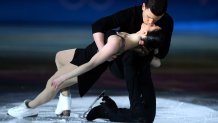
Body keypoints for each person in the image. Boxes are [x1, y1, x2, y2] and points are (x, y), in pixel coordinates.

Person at [7, 23, 162, 118]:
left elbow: (91, 64)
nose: (151, 22)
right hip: (86, 52)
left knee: (52, 84)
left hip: (87, 64)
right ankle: (65, 100)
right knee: (60, 57)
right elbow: (156, 62)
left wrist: (64, 78)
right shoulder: (132, 36)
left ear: (145, 35)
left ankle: (29, 108)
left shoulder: (117, 42)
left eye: (153, 26)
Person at [82, 0, 173, 122]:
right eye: (148, 17)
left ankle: (106, 110)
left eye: (156, 20)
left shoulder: (167, 22)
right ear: (143, 7)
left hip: (142, 67)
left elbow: (162, 54)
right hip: (120, 64)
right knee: (131, 55)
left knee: (146, 119)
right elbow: (98, 25)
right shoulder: (131, 14)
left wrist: (153, 43)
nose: (150, 22)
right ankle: (134, 108)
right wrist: (103, 51)